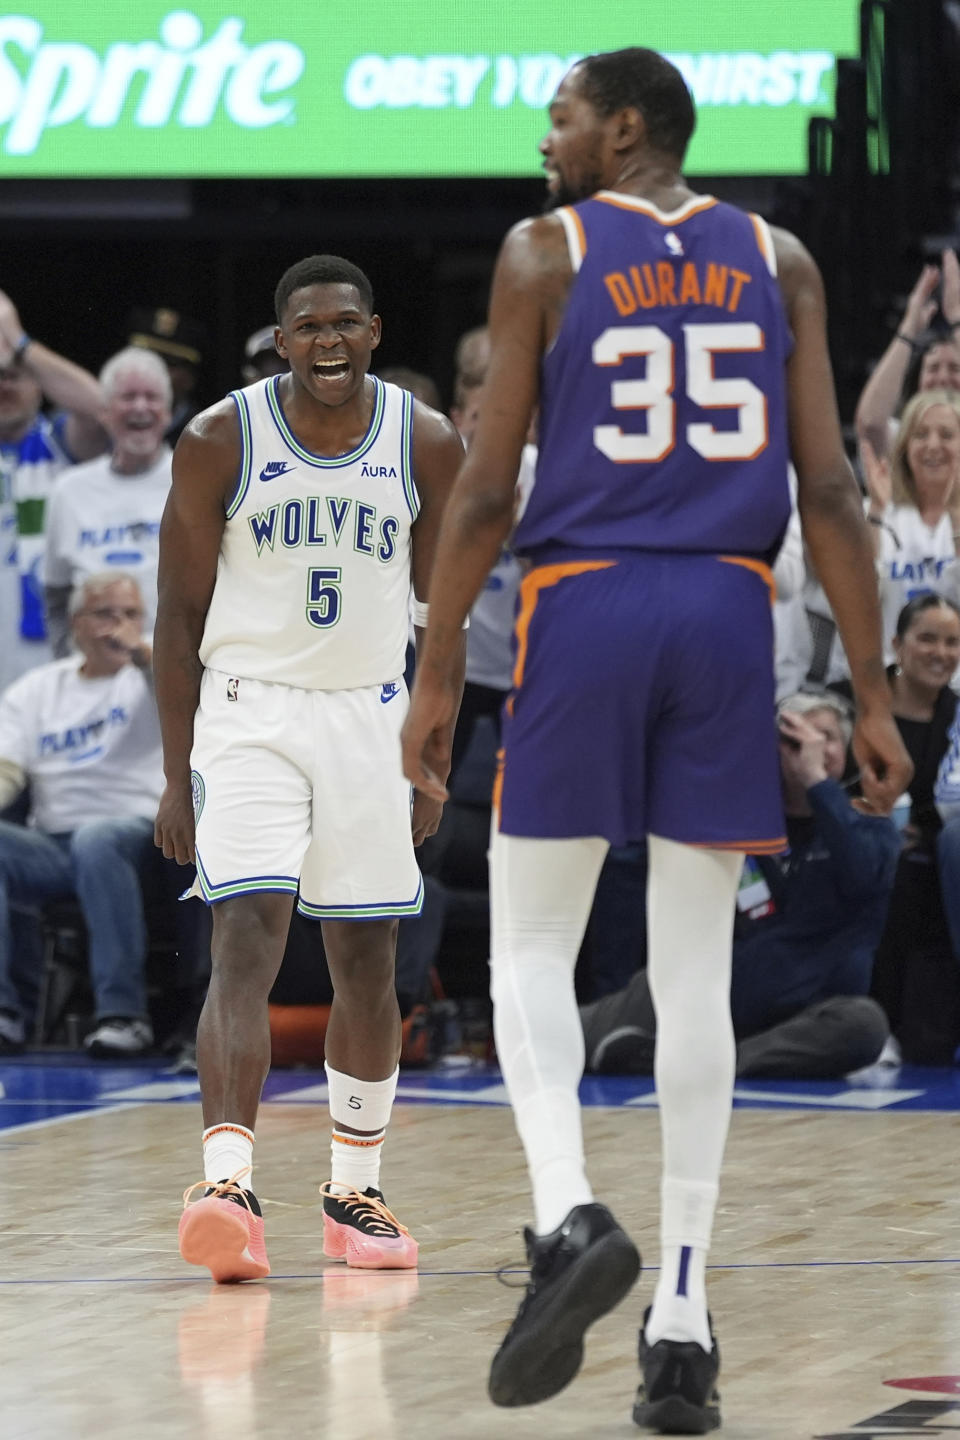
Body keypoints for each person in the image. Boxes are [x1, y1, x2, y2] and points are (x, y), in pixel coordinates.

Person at [401, 46, 911, 1431]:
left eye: (561, 114)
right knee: (693, 977)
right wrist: (870, 691)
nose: (544, 136)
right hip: (727, 615)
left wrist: (438, 661)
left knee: (523, 941)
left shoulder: (544, 251)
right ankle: (681, 1322)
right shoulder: (782, 256)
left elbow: (488, 486)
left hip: (589, 601)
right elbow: (830, 492)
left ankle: (568, 1215)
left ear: (625, 128)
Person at [154, 253, 465, 1283]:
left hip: (372, 713)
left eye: (345, 324)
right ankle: (229, 1185)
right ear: (280, 340)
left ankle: (353, 1192)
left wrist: (433, 748)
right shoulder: (218, 440)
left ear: (374, 331)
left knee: (368, 956)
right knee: (244, 933)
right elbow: (177, 618)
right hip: (249, 712)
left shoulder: (425, 442)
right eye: (307, 327)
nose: (328, 342)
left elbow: (443, 615)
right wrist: (171, 773)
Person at [581, 694, 897, 1081]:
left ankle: (696, 1062)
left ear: (846, 752)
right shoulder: (732, 822)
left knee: (865, 1025)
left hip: (811, 1013)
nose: (810, 746)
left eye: (826, 736)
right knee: (554, 1035)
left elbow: (863, 876)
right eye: (795, 737)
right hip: (711, 995)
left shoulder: (869, 823)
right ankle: (680, 1055)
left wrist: (817, 783)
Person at [0, 572, 182, 1057]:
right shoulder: (39, 688)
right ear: (77, 624)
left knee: (97, 840)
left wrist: (141, 649)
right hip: (53, 844)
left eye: (130, 615)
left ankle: (123, 1015)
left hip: (139, 839)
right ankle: (5, 1013)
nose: (116, 627)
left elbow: (171, 679)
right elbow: (7, 768)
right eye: (104, 614)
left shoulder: (152, 677)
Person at [866, 595, 960, 1062]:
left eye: (952, 642)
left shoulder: (958, 716)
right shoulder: (858, 705)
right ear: (897, 645)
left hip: (933, 861)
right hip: (858, 848)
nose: (940, 652)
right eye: (927, 638)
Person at [0, 287, 105, 691]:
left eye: (16, 374)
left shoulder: (60, 441)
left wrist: (19, 342)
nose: (6, 385)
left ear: (41, 383)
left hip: (48, 647)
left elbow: (101, 409)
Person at [43, 348, 174, 653]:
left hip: (169, 673)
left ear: (167, 413)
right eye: (127, 397)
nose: (140, 407)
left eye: (151, 397)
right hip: (92, 677)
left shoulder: (194, 480)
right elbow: (56, 596)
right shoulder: (69, 490)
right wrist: (70, 663)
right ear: (104, 412)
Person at [859, 390, 960, 661]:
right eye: (920, 435)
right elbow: (860, 596)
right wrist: (877, 511)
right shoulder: (877, 511)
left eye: (947, 435)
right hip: (890, 676)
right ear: (905, 446)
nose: (933, 445)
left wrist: (955, 514)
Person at [854, 251, 960, 463]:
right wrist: (908, 329)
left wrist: (957, 318)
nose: (942, 378)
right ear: (917, 381)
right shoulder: (904, 439)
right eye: (933, 368)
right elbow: (870, 423)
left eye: (955, 369)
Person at [127, 306, 207, 445]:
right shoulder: (110, 423)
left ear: (190, 379)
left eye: (169, 363)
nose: (153, 370)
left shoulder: (205, 433)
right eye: (147, 358)